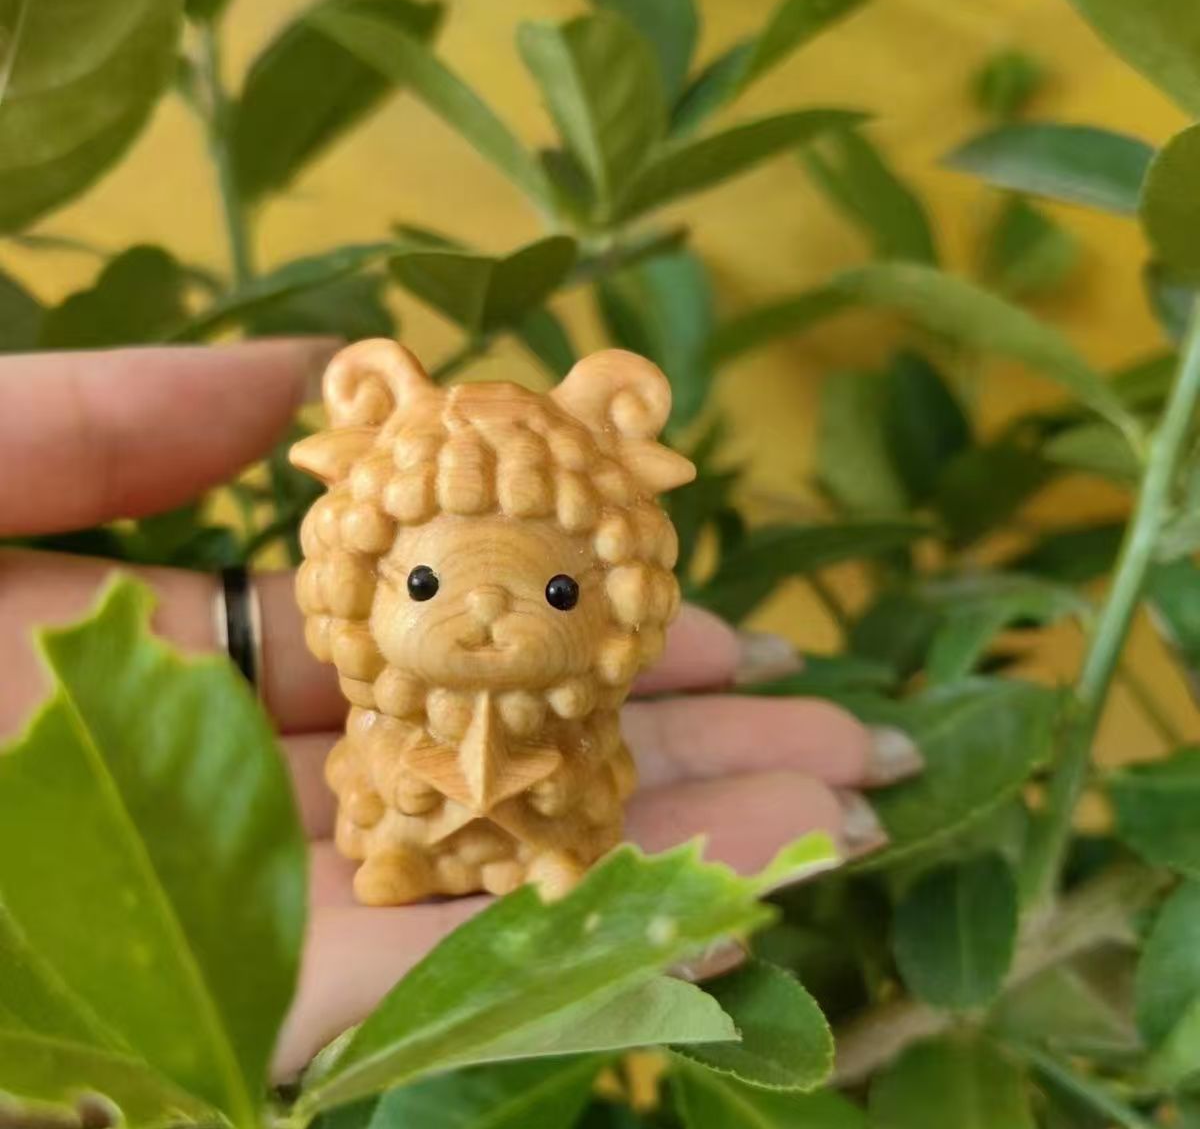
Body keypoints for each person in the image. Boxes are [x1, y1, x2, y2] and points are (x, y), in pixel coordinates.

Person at [0, 338, 923, 1075]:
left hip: (550, 796)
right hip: (401, 795)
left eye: (558, 593)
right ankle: (407, 856)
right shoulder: (383, 682)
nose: (482, 615)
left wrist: (551, 787)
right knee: (386, 796)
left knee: (571, 794)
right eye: (426, 583)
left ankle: (548, 856)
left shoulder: (576, 691)